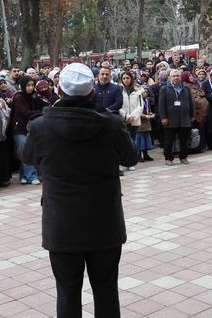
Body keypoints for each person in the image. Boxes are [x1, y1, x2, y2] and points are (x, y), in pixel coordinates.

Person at [20, 63, 138, 318]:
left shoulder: (41, 126)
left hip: (62, 223)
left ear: (59, 90)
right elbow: (131, 158)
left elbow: (27, 156)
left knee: (67, 290)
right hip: (104, 221)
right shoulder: (111, 123)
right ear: (92, 92)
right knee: (106, 289)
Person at [11, 77, 44, 185]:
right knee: (26, 150)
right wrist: (39, 113)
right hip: (19, 129)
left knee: (24, 152)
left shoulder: (32, 96)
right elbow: (24, 112)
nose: (30, 88)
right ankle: (31, 176)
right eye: (28, 85)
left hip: (29, 128)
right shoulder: (18, 97)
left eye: (32, 85)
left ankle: (23, 175)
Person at [159, 69, 195, 165]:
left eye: (178, 75)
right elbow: (161, 105)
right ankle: (168, 158)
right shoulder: (164, 88)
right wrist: (163, 117)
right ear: (170, 77)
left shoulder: (186, 88)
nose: (176, 77)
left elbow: (191, 102)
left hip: (184, 118)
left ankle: (183, 157)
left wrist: (192, 115)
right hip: (170, 119)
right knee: (169, 140)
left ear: (181, 77)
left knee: (184, 140)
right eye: (174, 76)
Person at [136, 87, 155, 162]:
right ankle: (138, 155)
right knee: (139, 140)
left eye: (146, 92)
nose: (146, 94)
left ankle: (146, 154)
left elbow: (148, 110)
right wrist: (145, 116)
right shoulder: (137, 101)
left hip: (147, 123)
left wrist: (150, 114)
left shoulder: (146, 100)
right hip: (140, 123)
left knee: (146, 139)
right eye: (144, 92)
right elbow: (137, 112)